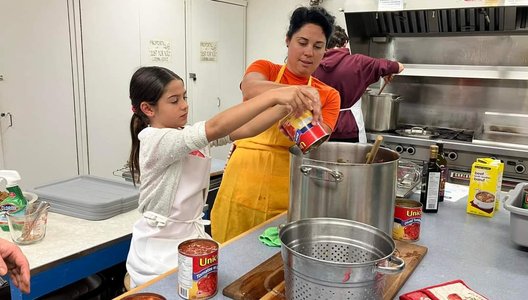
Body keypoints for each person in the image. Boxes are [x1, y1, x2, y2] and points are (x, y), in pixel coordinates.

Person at [125, 66, 315, 287]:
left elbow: (246, 128)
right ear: (148, 108)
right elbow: (215, 127)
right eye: (174, 100)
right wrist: (273, 95)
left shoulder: (182, 133)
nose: (185, 105)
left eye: (184, 97)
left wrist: (286, 107)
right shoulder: (155, 139)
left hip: (189, 240)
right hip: (158, 250)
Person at [211, 6, 341, 243]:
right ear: (288, 40)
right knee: (230, 259)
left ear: (325, 51)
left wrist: (302, 124)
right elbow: (250, 89)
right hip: (240, 184)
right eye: (302, 42)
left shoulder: (328, 95)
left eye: (318, 46)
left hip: (287, 190)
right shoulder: (265, 69)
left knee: (272, 267)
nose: (309, 52)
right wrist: (294, 94)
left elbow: (318, 144)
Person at [313, 25, 404, 143]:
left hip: (321, 127)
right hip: (350, 127)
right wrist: (388, 72)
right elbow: (398, 67)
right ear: (345, 43)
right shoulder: (359, 62)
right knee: (353, 160)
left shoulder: (312, 63)